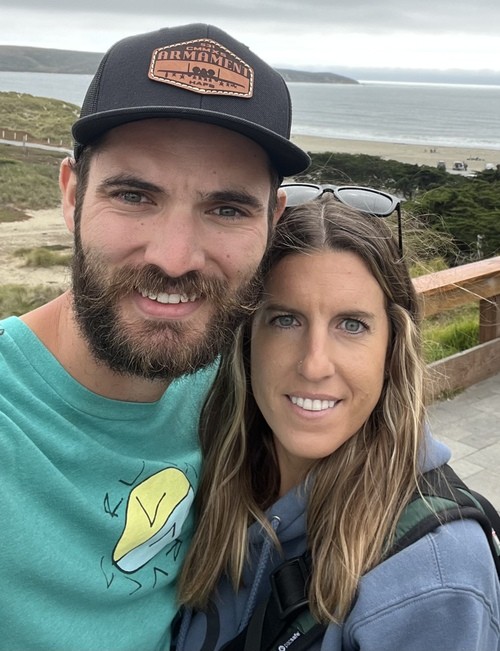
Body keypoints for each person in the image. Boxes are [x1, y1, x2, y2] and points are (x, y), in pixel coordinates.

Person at [0, 23, 310, 651]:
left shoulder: (244, 370)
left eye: (227, 209)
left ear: (271, 223)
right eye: (135, 195)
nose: (174, 258)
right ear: (72, 195)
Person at [176, 192, 500, 651]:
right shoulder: (206, 477)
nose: (314, 365)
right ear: (246, 339)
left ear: (392, 350)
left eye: (351, 325)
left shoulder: (435, 577)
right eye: (285, 320)